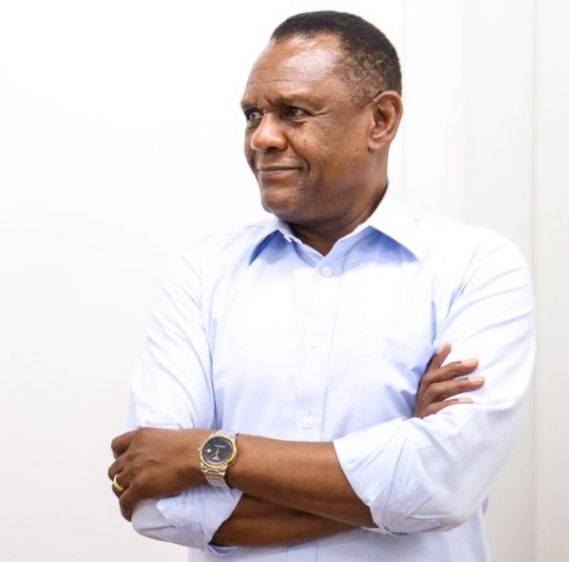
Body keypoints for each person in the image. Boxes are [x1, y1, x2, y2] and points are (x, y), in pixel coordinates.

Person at [108, 10, 535, 561]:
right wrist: (395, 466)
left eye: (294, 112)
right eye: (253, 115)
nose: (263, 137)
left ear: (380, 120)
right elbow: (154, 500)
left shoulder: (475, 267)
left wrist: (206, 454)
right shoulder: (204, 274)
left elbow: (444, 484)